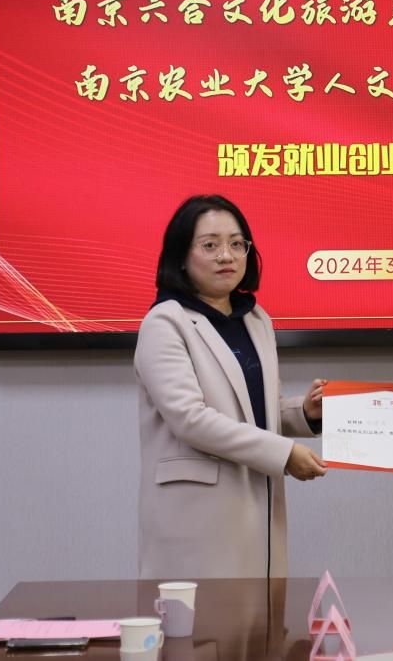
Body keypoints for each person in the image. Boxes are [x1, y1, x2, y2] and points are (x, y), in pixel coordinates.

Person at [135, 194, 327, 579]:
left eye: (237, 244)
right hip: (196, 512)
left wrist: (303, 413)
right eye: (210, 245)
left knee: (259, 613)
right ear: (181, 256)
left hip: (258, 503)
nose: (227, 255)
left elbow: (256, 410)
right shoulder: (165, 323)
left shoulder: (255, 320)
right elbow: (190, 419)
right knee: (200, 616)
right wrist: (284, 452)